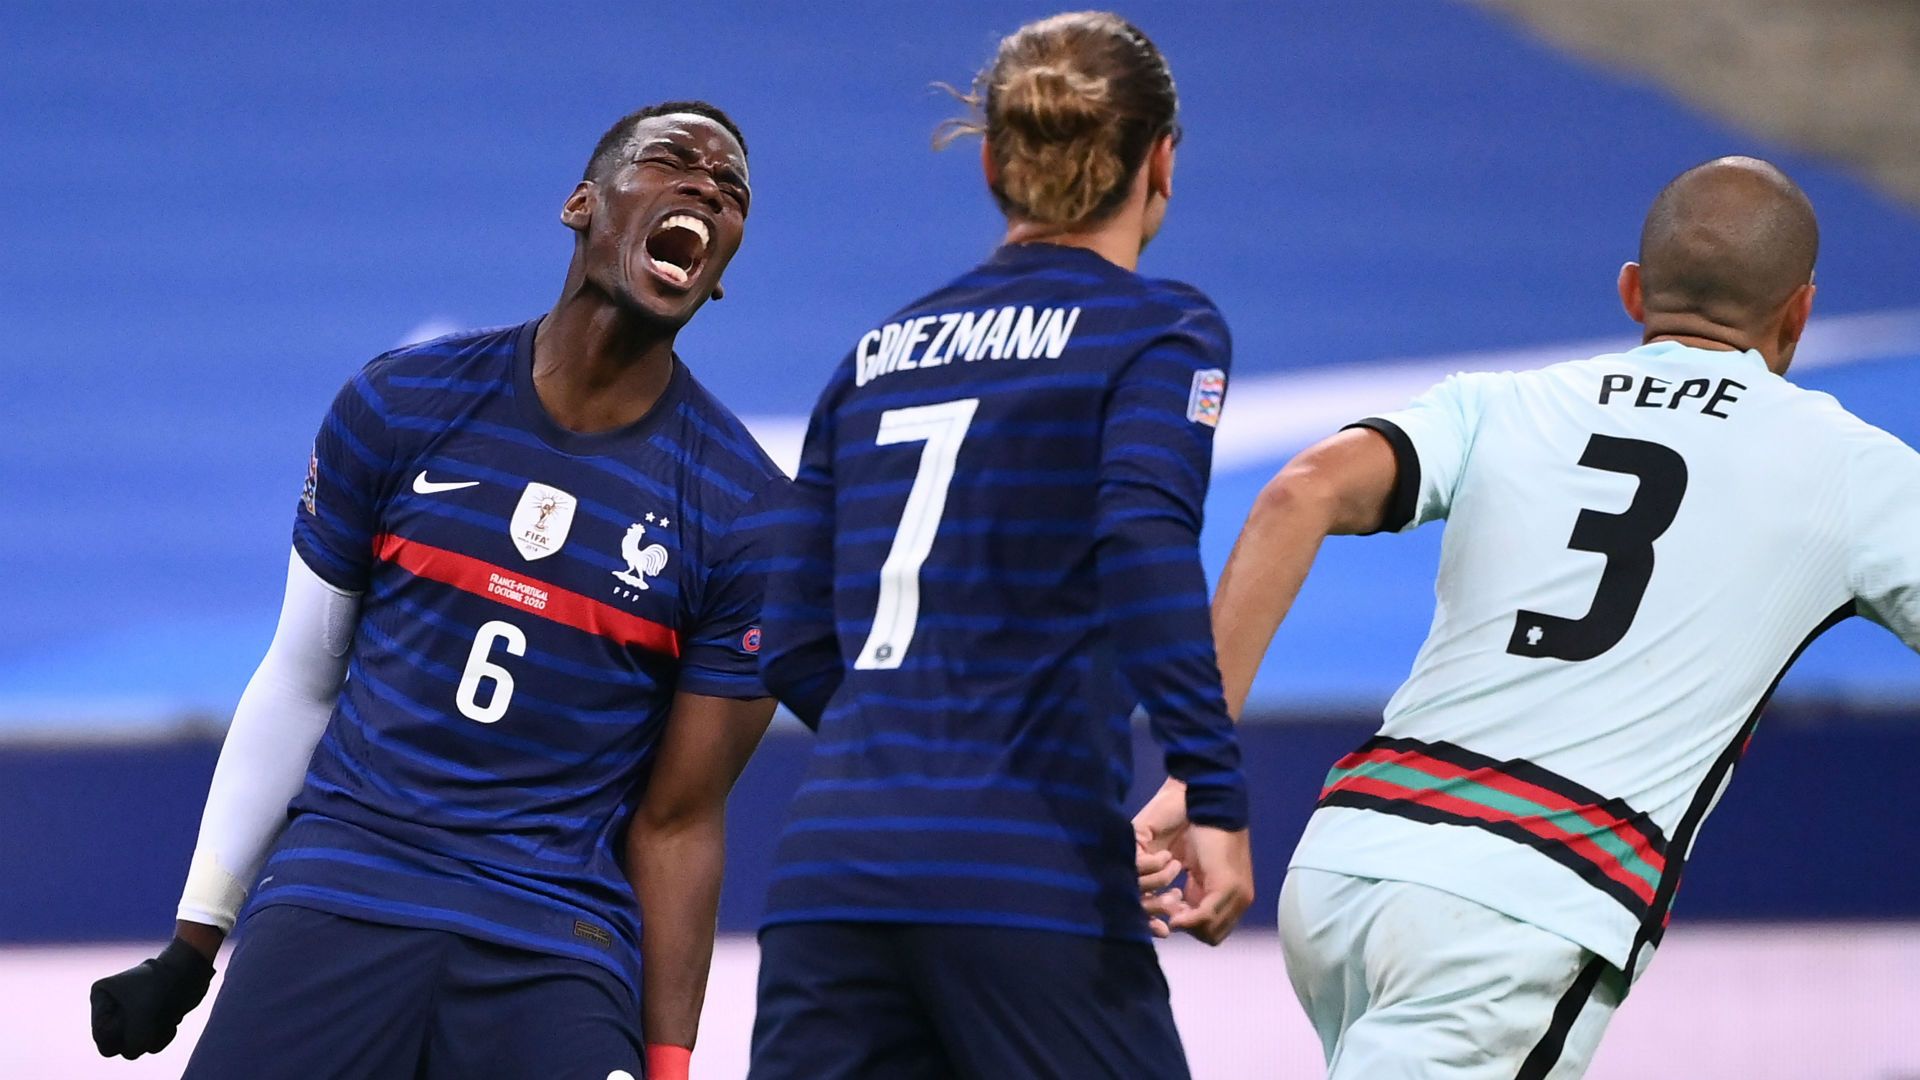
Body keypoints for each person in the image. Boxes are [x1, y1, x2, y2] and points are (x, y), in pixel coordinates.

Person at [1137, 155, 1920, 1078]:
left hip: (1350, 862)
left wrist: (1199, 770)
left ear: (1633, 292)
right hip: (1520, 904)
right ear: (1798, 313)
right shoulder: (1857, 473)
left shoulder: (1499, 403)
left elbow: (1296, 493)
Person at [88, 101, 784, 1080]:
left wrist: (668, 1067)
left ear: (717, 279)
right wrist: (192, 948)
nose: (709, 186)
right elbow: (299, 680)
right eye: (674, 162)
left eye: (734, 192)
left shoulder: (747, 512)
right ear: (583, 204)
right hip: (344, 887)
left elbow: (680, 820)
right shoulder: (399, 405)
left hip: (558, 940)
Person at [746, 12, 1255, 1079]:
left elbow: (786, 634)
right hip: (1029, 874)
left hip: (833, 872)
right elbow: (1143, 542)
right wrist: (1213, 792)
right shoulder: (1159, 331)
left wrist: (918, 770)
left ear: (991, 162)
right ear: (1161, 160)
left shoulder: (874, 359)